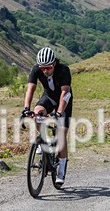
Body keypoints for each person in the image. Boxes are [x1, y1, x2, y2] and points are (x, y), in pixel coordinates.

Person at [22, 47, 73, 186]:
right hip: (49, 98)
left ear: (54, 64)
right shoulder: (36, 69)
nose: (45, 71)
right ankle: (43, 140)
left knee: (61, 135)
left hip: (64, 100)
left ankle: (61, 169)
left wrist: (58, 113)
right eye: (43, 68)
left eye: (48, 68)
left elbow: (65, 94)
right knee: (37, 112)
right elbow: (30, 89)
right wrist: (26, 109)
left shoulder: (63, 70)